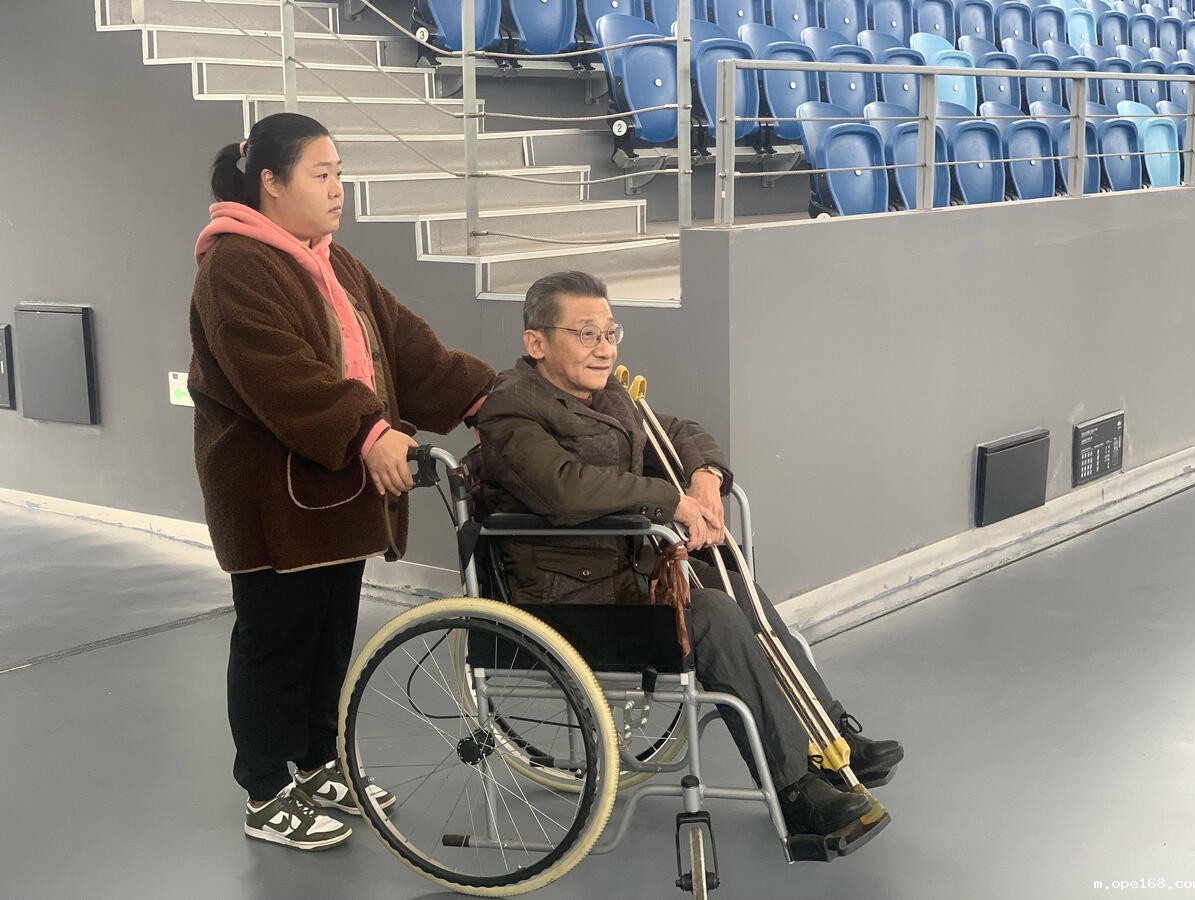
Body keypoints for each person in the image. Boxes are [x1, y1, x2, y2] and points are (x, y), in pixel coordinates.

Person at [476, 271, 903, 839]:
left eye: (610, 332)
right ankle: (795, 792)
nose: (604, 348)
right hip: (568, 599)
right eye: (586, 333)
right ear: (537, 342)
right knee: (710, 615)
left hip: (626, 572)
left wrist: (705, 476)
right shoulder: (510, 409)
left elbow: (680, 430)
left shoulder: (607, 395)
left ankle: (830, 737)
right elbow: (565, 488)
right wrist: (669, 499)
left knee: (734, 587)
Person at [188, 113, 494, 851]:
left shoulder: (331, 260)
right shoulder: (233, 265)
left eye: (339, 174)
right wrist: (369, 431)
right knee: (274, 642)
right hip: (272, 500)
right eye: (321, 174)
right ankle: (266, 789)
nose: (337, 189)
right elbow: (282, 375)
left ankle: (318, 761)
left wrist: (486, 400)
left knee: (328, 636)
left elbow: (403, 344)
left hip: (334, 493)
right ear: (270, 181)